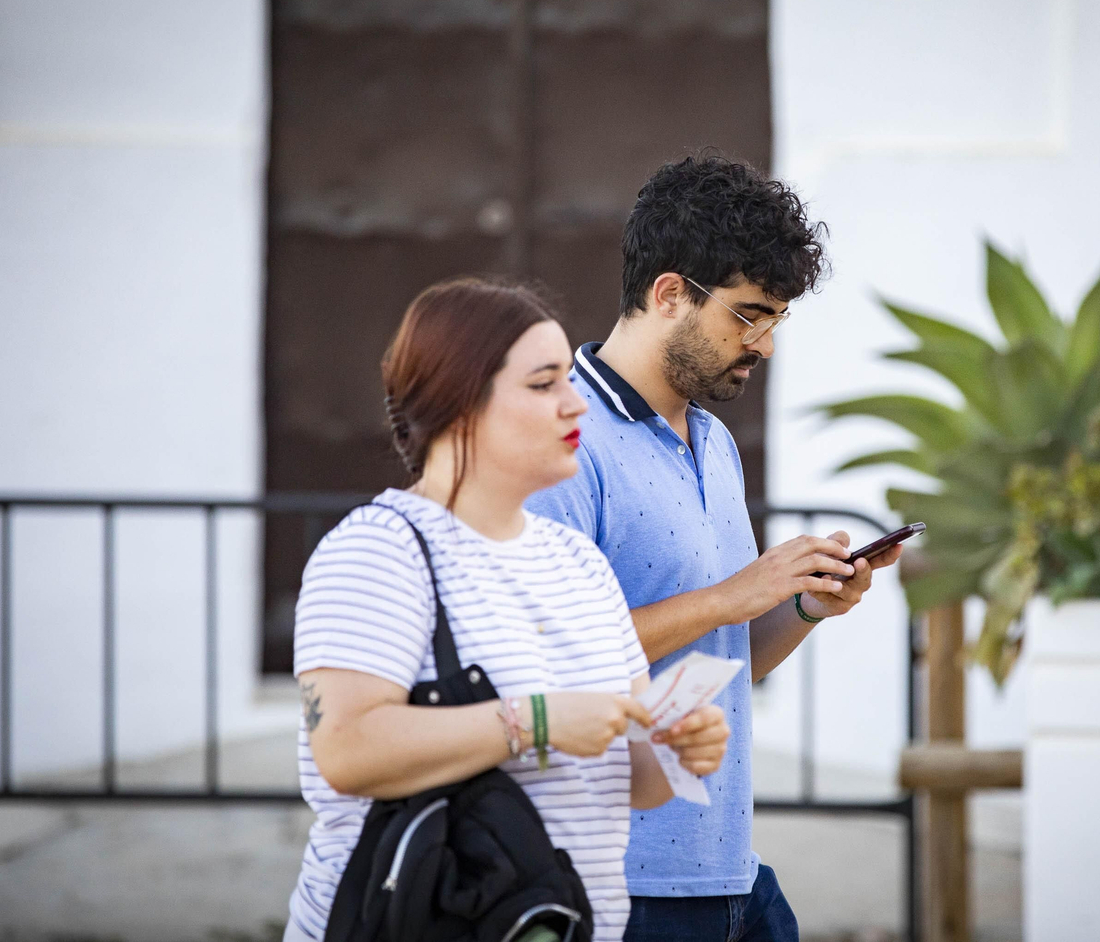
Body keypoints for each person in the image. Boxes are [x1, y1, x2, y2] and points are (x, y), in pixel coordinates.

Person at [284, 278, 732, 942]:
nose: (575, 403)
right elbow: (346, 751)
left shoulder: (580, 563)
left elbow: (630, 780)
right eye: (544, 383)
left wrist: (677, 749)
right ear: (458, 402)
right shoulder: (379, 549)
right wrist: (537, 721)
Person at [526, 155, 902, 941]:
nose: (764, 344)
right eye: (749, 315)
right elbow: (545, 665)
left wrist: (803, 607)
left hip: (732, 874)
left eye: (776, 321)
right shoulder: (561, 442)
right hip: (615, 886)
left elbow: (722, 659)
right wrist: (732, 595)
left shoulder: (716, 442)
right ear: (669, 293)